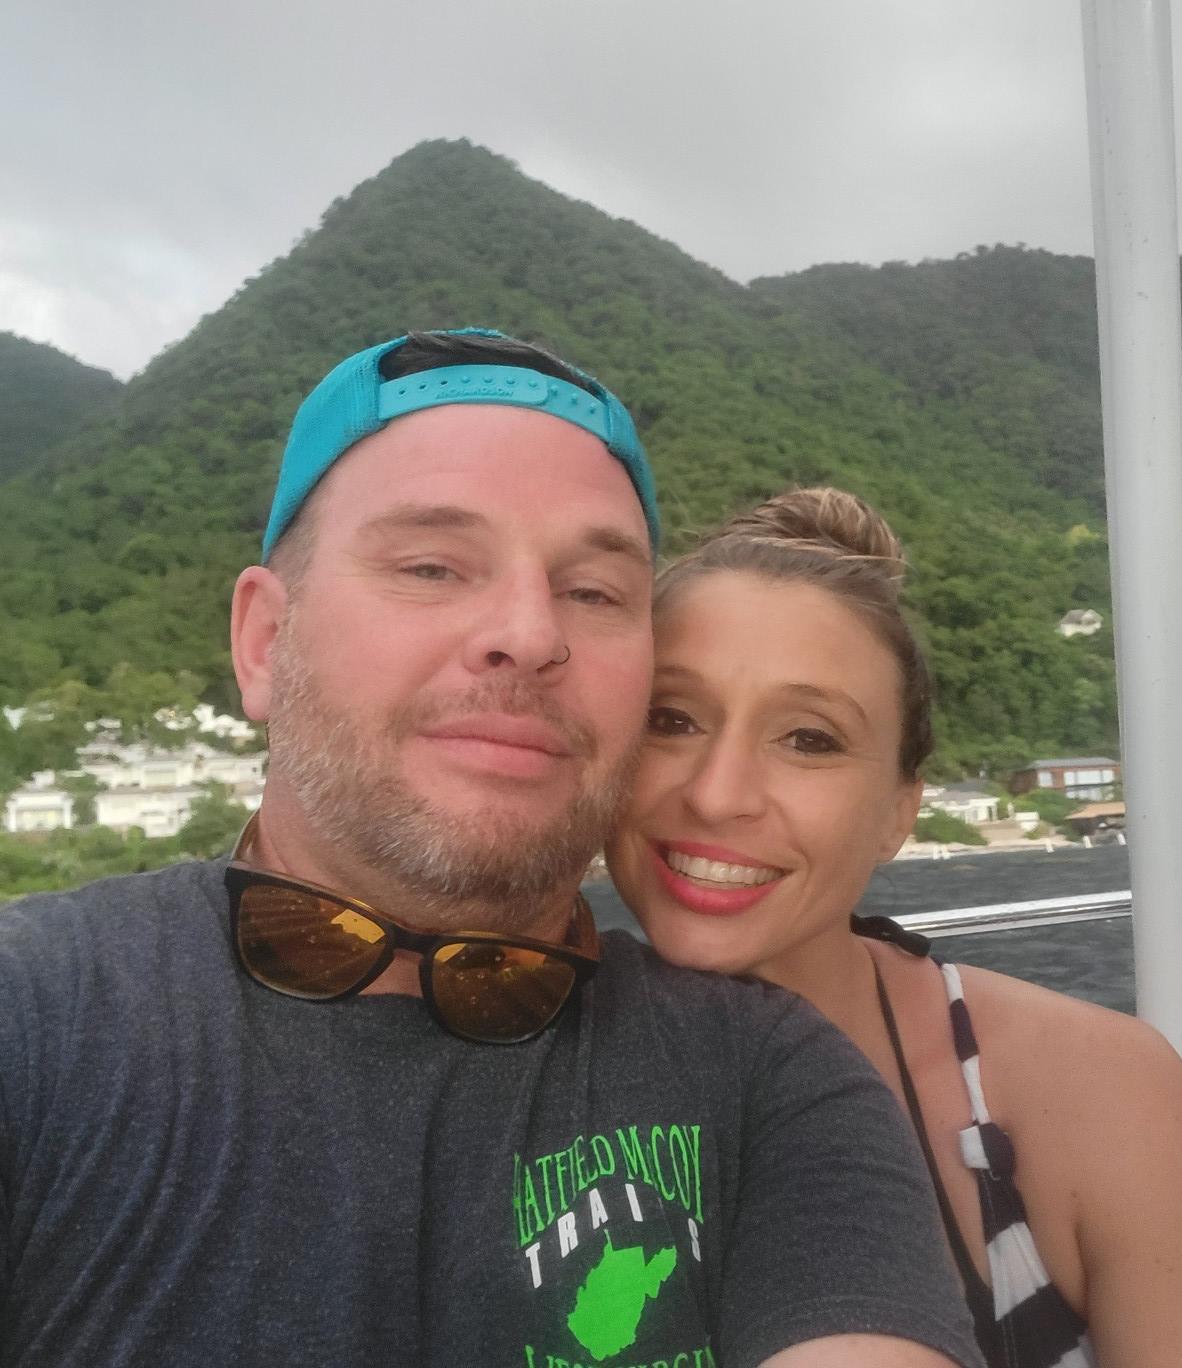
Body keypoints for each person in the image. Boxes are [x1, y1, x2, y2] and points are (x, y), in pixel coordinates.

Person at [0, 334, 983, 1368]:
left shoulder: (772, 1079)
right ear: (263, 643)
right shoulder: (41, 1017)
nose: (530, 633)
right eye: (431, 567)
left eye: (593, 593)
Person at [606, 486, 1182, 1368]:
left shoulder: (1096, 1093)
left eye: (809, 739)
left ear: (899, 810)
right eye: (670, 719)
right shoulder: (491, 1061)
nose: (716, 793)